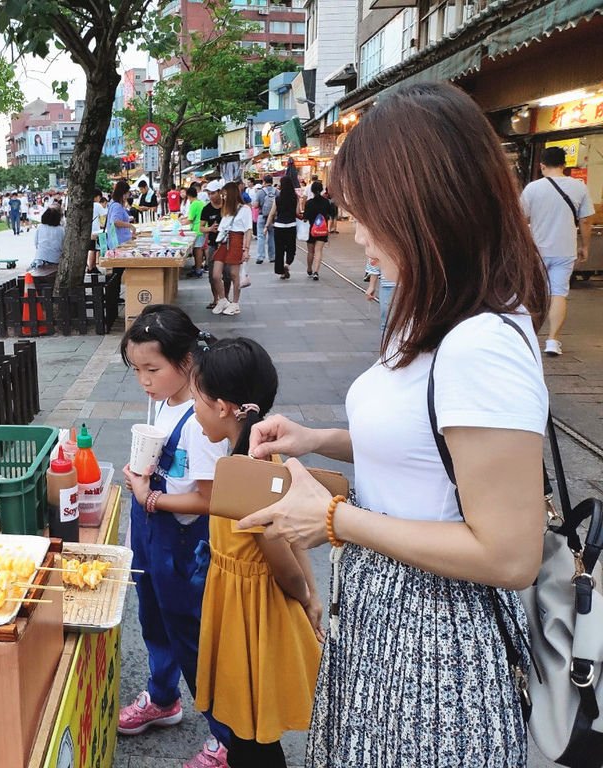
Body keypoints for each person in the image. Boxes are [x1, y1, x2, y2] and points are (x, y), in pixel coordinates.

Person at [239, 82, 549, 768]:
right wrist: (317, 440)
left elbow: (509, 554)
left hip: (439, 649)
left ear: (421, 207)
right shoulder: (434, 317)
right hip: (389, 615)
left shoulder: (481, 343)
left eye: (366, 213)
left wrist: (333, 521)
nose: (356, 232)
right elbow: (433, 451)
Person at [192, 337, 322, 768]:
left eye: (198, 401)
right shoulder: (255, 460)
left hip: (252, 611)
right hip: (241, 602)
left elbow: (281, 555)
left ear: (225, 406)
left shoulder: (251, 474)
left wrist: (304, 595)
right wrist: (310, 592)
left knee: (251, 739)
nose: (195, 411)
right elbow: (290, 538)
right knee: (248, 734)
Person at [119, 305, 232, 768]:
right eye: (136, 370)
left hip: (184, 548)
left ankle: (227, 740)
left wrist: (150, 497)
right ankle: (163, 699)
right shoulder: (164, 404)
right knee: (153, 622)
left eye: (153, 369)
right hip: (151, 538)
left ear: (186, 362)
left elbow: (209, 499)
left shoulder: (203, 420)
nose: (144, 380)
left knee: (192, 638)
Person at [519, 145, 594, 356]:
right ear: (564, 165)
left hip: (537, 251)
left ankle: (528, 336)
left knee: (534, 293)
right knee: (558, 293)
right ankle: (552, 340)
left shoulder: (533, 189)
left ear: (542, 165)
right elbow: (586, 221)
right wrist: (585, 246)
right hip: (564, 250)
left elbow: (519, 218)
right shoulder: (579, 187)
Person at [211, 182, 252, 316]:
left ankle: (235, 303)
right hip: (224, 241)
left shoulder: (245, 209)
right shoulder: (226, 210)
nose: (223, 197)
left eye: (225, 194)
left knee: (235, 274)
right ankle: (222, 299)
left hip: (236, 240)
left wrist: (246, 249)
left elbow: (248, 230)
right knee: (216, 274)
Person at [263, 176, 298, 280]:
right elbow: (297, 212)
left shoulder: (278, 198)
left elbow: (272, 213)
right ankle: (287, 264)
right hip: (291, 225)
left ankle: (281, 272)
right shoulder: (295, 197)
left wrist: (266, 226)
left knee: (279, 250)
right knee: (291, 248)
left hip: (279, 227)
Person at [201, 181, 227, 308]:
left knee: (227, 274)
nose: (211, 196)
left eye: (213, 193)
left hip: (227, 244)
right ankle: (215, 299)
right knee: (213, 275)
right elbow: (201, 228)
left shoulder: (228, 206)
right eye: (209, 194)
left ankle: (226, 298)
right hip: (212, 244)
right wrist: (210, 229)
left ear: (220, 192)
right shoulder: (206, 209)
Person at [302, 181, 333, 281]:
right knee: (318, 251)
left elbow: (305, 218)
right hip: (322, 230)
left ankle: (309, 268)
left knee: (310, 251)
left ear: (312, 190)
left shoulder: (309, 203)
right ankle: (316, 272)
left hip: (311, 230)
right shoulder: (326, 202)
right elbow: (331, 214)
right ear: (321, 190)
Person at [31, 205, 64, 276]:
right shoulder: (61, 230)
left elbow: (36, 243)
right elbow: (63, 246)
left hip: (40, 257)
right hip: (55, 259)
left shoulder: (40, 227)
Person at [181, 184, 205, 278]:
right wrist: (184, 218)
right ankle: (197, 267)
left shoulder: (194, 204)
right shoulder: (200, 203)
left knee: (198, 250)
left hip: (197, 229)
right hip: (200, 228)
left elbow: (190, 219)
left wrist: (181, 223)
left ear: (189, 196)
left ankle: (198, 269)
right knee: (197, 249)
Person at [254, 176, 277, 265]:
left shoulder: (260, 192)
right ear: (272, 181)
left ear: (264, 182)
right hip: (273, 218)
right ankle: (272, 257)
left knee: (260, 236)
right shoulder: (277, 192)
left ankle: (260, 257)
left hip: (262, 216)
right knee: (272, 237)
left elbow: (255, 205)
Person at [106, 180, 135, 247]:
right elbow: (115, 221)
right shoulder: (117, 206)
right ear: (123, 193)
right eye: (128, 193)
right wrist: (130, 226)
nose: (128, 195)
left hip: (118, 242)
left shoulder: (114, 204)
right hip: (119, 243)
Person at [87, 189, 107, 274]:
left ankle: (92, 266)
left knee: (92, 248)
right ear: (98, 196)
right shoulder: (97, 205)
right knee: (93, 249)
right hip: (94, 231)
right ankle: (91, 267)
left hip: (89, 230)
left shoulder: (88, 205)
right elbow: (105, 214)